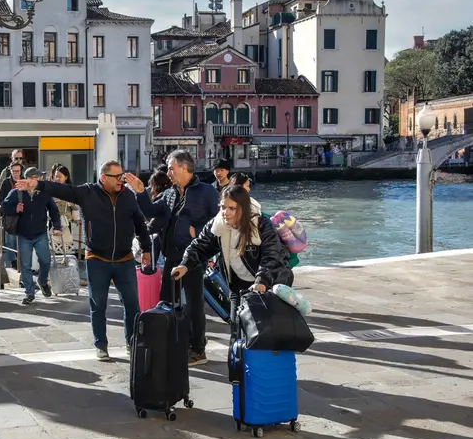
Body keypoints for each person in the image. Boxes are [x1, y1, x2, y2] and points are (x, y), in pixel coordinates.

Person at [17, 160, 150, 360]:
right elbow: (62, 190)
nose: (121, 179)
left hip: (125, 259)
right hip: (97, 258)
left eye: (122, 175)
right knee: (98, 304)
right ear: (103, 178)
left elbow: (140, 223)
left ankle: (132, 343)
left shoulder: (128, 196)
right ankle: (101, 345)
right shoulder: (88, 193)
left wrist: (146, 248)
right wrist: (38, 184)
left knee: (132, 305)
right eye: (116, 176)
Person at [126, 149, 219, 366]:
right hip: (172, 256)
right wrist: (140, 192)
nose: (168, 173)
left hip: (193, 257)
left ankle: (198, 350)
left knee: (194, 304)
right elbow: (151, 212)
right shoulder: (169, 193)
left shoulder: (207, 192)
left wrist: (197, 230)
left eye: (171, 168)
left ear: (184, 168)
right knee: (166, 301)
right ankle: (171, 342)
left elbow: (218, 221)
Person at [170, 185, 292, 306]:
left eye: (232, 208)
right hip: (238, 285)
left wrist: (262, 281)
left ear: (243, 209)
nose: (225, 212)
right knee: (236, 318)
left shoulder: (261, 224)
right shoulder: (217, 225)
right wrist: (185, 265)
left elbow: (271, 255)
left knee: (266, 318)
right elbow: (200, 246)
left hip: (270, 282)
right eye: (223, 207)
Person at [1, 167, 61, 305]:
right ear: (29, 179)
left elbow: (54, 210)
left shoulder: (44, 193)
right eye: (37, 177)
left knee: (45, 261)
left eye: (40, 178)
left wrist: (57, 226)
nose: (40, 180)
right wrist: (15, 209)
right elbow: (4, 206)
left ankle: (42, 281)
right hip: (24, 234)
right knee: (26, 266)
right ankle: (29, 293)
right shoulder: (16, 192)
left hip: (41, 233)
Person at [0, 161, 24, 268]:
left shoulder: (24, 181)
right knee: (10, 239)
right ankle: (13, 262)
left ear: (21, 171)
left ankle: (21, 259)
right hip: (10, 215)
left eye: (18, 171)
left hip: (22, 215)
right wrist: (3, 214)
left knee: (22, 239)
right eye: (14, 171)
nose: (16, 173)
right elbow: (1, 200)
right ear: (10, 171)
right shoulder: (6, 183)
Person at [49, 163, 78, 255]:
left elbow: (75, 206)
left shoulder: (70, 190)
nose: (57, 178)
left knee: (66, 241)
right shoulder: (51, 188)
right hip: (53, 220)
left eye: (59, 177)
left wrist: (77, 218)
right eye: (56, 176)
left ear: (66, 177)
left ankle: (66, 259)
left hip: (66, 220)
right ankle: (55, 259)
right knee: (53, 242)